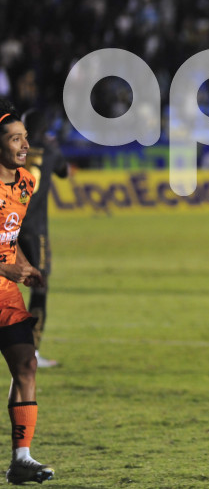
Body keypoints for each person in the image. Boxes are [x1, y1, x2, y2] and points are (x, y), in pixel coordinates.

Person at [0, 99, 54, 484]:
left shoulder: (25, 183)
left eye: (25, 137)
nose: (24, 145)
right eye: (16, 138)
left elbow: (9, 237)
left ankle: (22, 458)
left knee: (26, 365)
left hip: (5, 294)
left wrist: (24, 266)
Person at [18, 109, 69, 368]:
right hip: (35, 230)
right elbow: (64, 171)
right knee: (40, 287)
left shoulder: (11, 149)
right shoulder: (50, 150)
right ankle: (32, 353)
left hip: (8, 225)